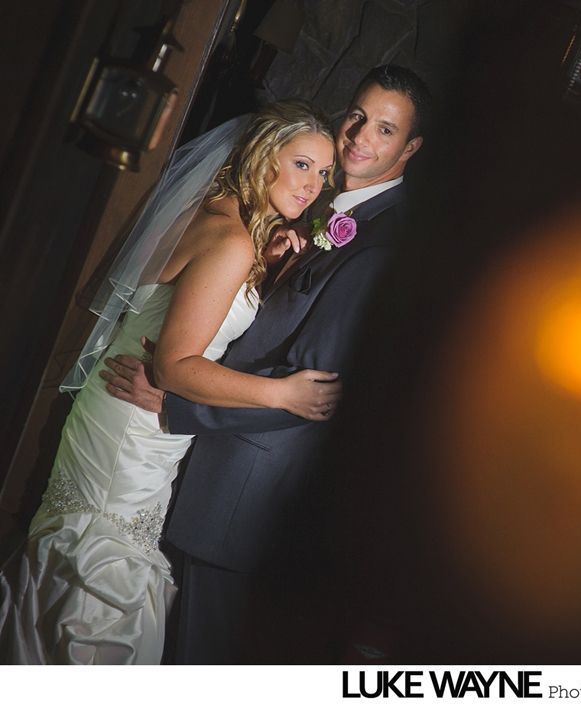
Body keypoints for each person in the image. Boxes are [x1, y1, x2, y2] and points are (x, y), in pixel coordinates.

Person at [100, 64, 431, 663]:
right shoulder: (335, 215)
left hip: (240, 499)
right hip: (202, 480)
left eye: (384, 130)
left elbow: (314, 390)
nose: (358, 136)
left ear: (410, 148)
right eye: (356, 115)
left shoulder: (382, 247)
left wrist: (175, 399)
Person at [0, 100, 339, 665]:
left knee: (71, 559)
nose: (314, 186)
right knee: (103, 585)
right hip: (135, 430)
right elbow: (175, 367)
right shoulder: (232, 241)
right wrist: (282, 393)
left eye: (324, 174)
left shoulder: (213, 217)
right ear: (263, 157)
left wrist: (262, 261)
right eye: (302, 165)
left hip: (119, 416)